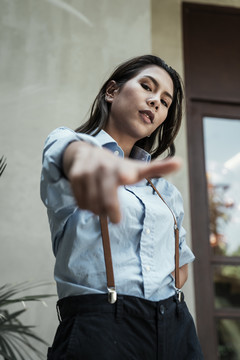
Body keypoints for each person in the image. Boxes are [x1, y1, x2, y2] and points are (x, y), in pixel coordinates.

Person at [41, 55, 203, 359]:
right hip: (101, 328)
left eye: (165, 102)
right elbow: (69, 154)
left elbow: (179, 269)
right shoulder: (69, 143)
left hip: (175, 328)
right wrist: (87, 160)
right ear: (112, 91)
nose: (156, 102)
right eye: (147, 87)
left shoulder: (165, 189)